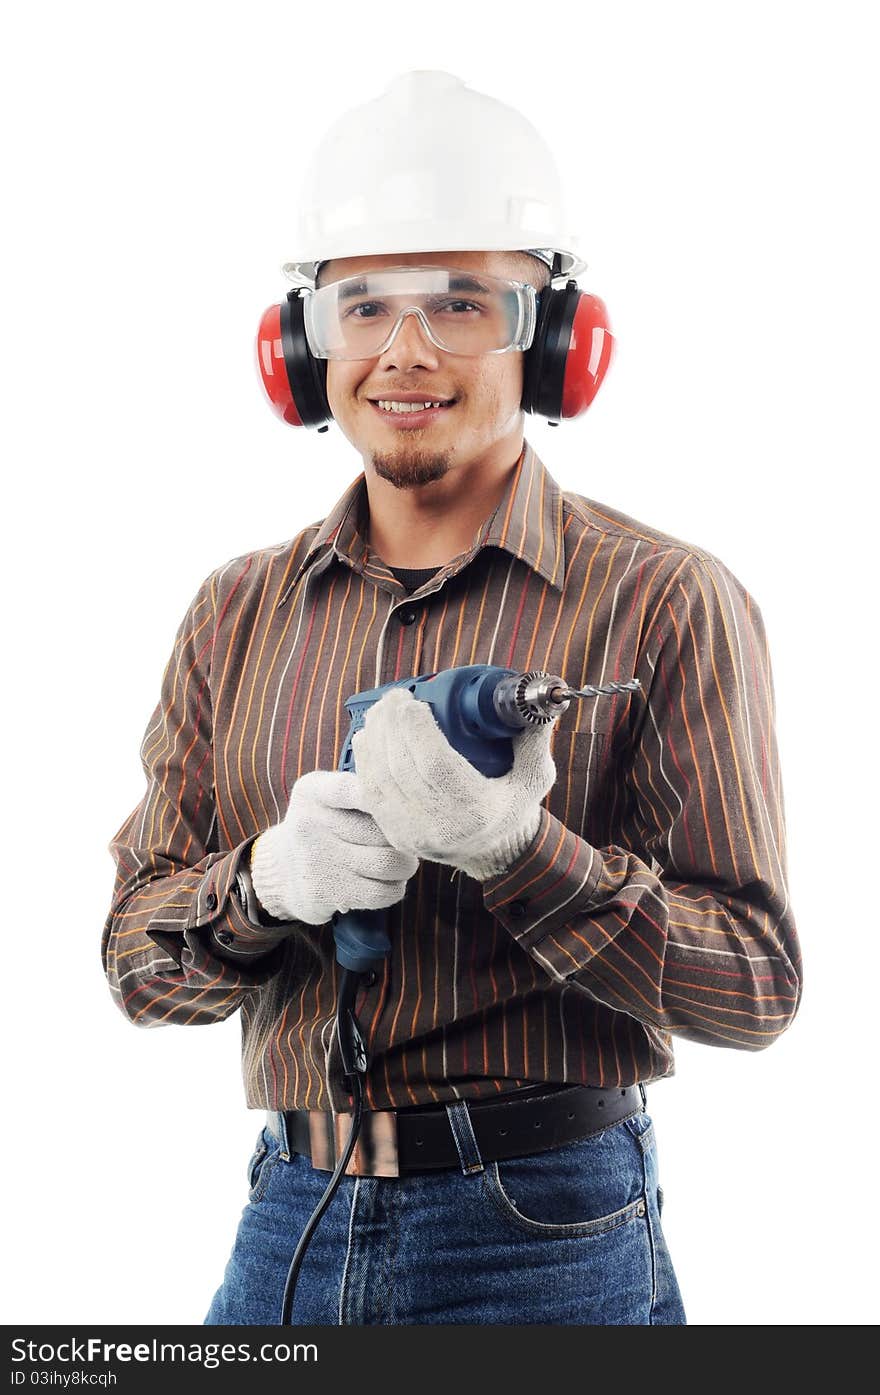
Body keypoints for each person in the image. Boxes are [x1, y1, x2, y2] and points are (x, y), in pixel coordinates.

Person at [102, 71, 802, 1327]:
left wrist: (521, 856)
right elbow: (137, 968)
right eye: (361, 304)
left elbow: (753, 987)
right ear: (303, 344)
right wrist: (261, 885)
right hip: (287, 1222)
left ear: (549, 341)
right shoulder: (235, 610)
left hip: (548, 1237)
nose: (405, 352)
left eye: (462, 303)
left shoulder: (664, 601)